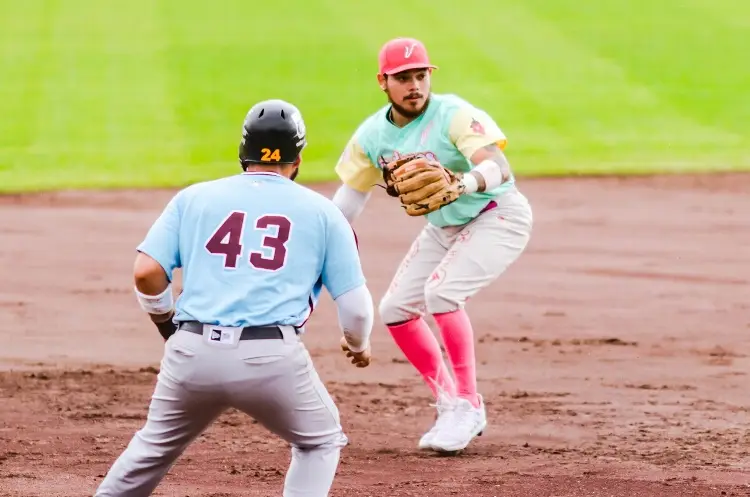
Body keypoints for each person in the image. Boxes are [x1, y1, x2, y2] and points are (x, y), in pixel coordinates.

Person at [94, 99, 374, 497]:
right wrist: (358, 345)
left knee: (151, 449)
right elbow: (356, 308)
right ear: (298, 158)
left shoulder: (193, 198)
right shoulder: (324, 213)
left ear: (244, 153)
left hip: (190, 352)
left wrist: (166, 325)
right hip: (270, 359)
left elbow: (146, 272)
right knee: (319, 441)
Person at [330, 37, 533, 454]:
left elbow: (499, 164)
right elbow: (350, 199)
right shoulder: (372, 135)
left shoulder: (454, 115)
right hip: (444, 228)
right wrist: (320, 239)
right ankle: (448, 401)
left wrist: (463, 183)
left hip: (498, 214)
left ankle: (469, 404)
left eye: (420, 75)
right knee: (395, 310)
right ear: (382, 82)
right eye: (402, 78)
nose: (414, 85)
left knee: (442, 294)